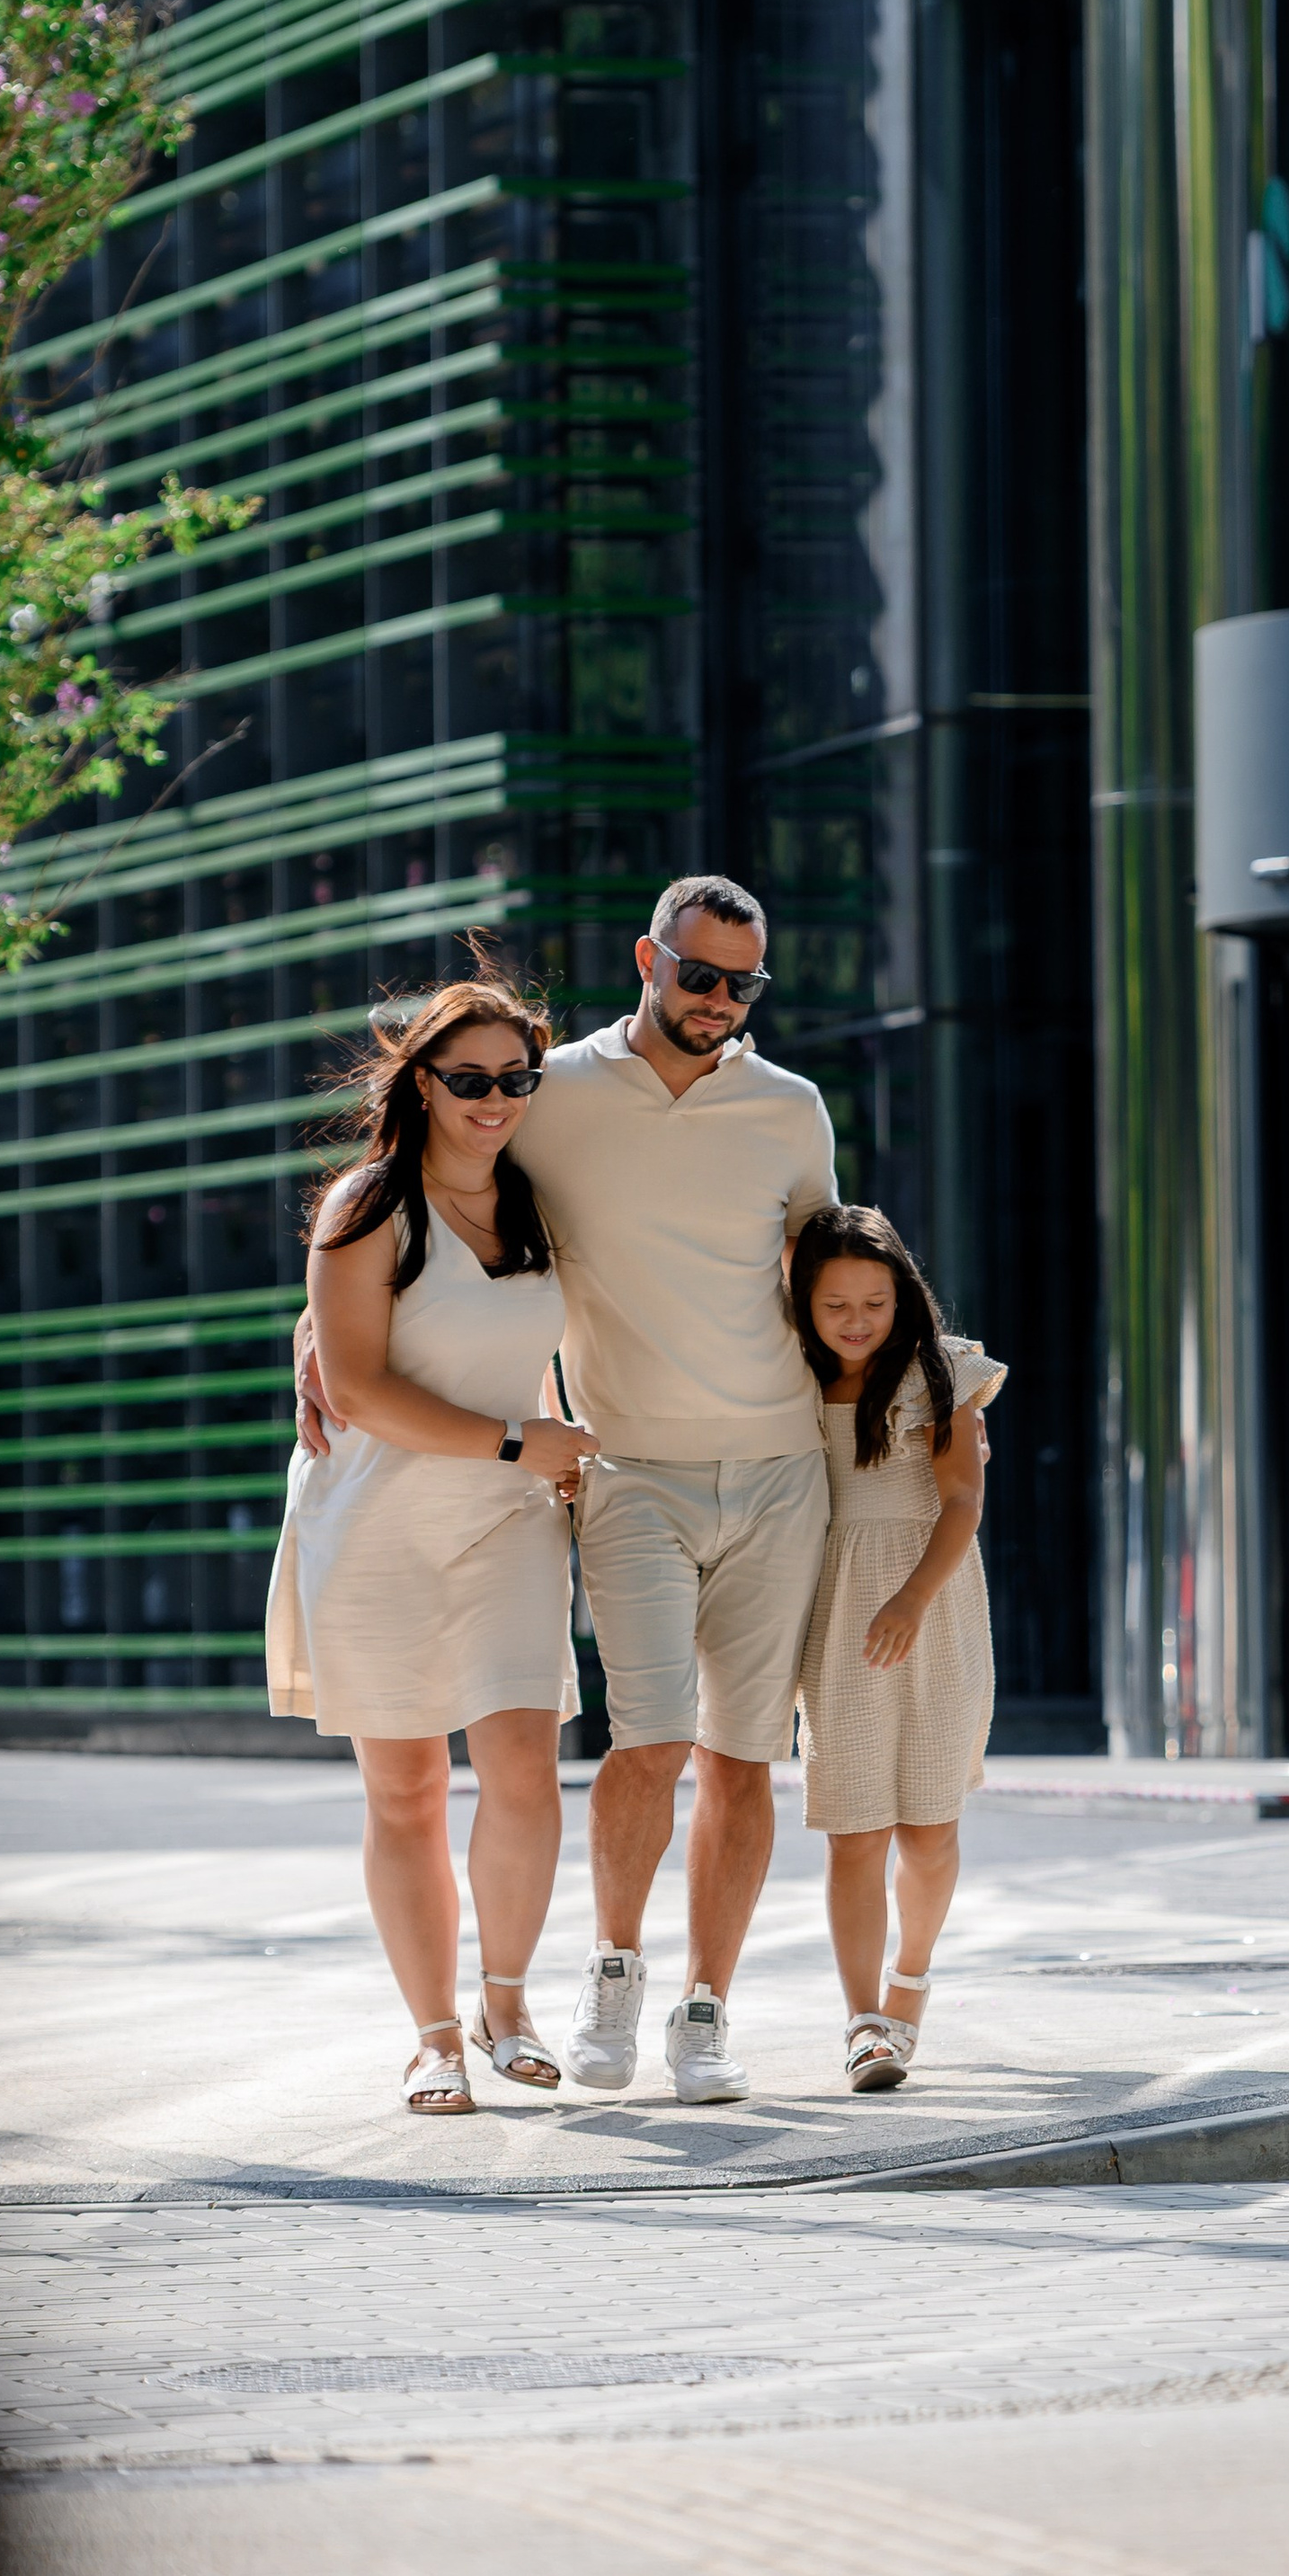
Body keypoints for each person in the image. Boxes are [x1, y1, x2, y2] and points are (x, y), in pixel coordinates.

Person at [294, 878, 839, 2103]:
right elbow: (378, 1246)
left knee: (648, 1764)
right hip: (538, 1484)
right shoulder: (547, 1105)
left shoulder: (770, 1112)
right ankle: (489, 2017)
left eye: (744, 982)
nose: (720, 998)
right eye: (699, 973)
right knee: (536, 1763)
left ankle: (605, 2010)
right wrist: (315, 1337)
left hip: (653, 1489)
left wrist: (933, 1396)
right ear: (650, 958)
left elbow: (831, 1273)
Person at [266, 980, 597, 2114]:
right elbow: (357, 1386)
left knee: (525, 1773)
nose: (495, 1099)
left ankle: (508, 2006)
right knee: (405, 1789)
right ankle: (434, 2038)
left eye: (517, 1077)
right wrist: (518, 1439)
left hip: (506, 1522)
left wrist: (546, 1443)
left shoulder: (542, 1200)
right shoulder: (367, 1204)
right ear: (420, 1082)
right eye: (469, 1079)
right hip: (377, 1525)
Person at [786, 1205, 1005, 2092]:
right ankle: (864, 2023)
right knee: (854, 1831)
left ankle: (908, 1979)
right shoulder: (786, 1381)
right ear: (804, 1304)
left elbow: (962, 1503)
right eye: (835, 1304)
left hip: (935, 1610)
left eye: (874, 1302)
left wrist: (911, 1598)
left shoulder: (939, 1374)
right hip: (838, 1619)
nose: (856, 1321)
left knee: (929, 1828)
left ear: (902, 1295)